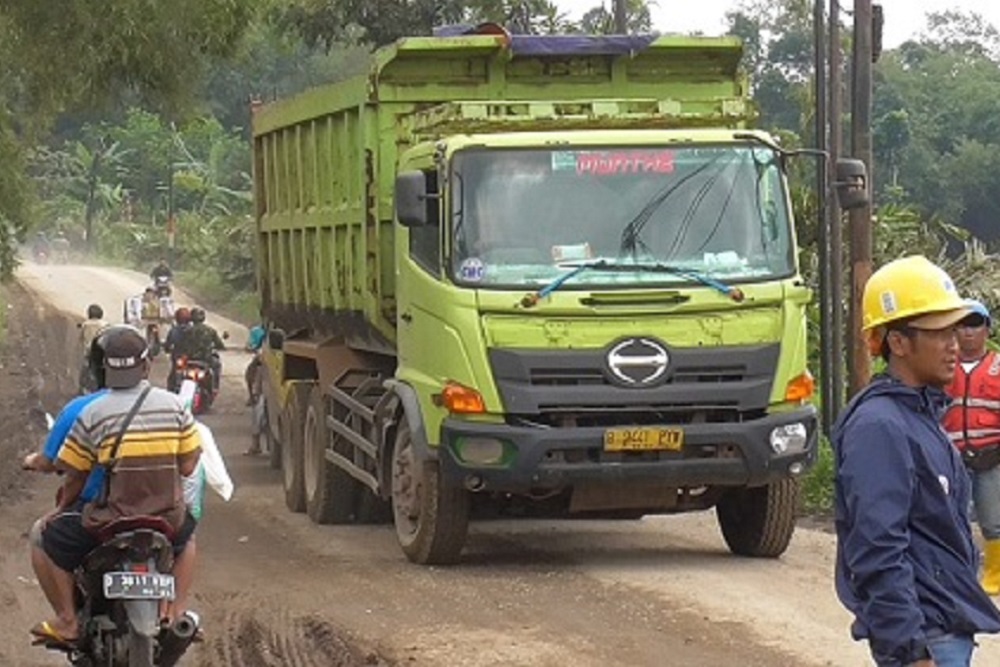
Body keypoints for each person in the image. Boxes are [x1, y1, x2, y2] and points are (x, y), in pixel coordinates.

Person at [832, 255, 1000, 667]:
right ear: (899, 342)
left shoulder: (917, 416)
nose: (954, 344)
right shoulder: (880, 427)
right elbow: (878, 549)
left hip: (942, 633)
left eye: (955, 330)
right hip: (927, 641)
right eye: (938, 333)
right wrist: (910, 649)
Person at [29, 326, 201, 645]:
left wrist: (61, 509)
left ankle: (68, 621)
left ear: (104, 368)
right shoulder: (176, 406)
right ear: (146, 366)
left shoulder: (92, 412)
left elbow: (76, 477)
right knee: (188, 539)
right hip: (166, 519)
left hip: (110, 520)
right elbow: (189, 466)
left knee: (44, 536)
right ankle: (176, 613)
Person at [943, 299, 1000, 596]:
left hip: (991, 456)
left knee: (994, 520)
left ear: (987, 329)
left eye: (975, 324)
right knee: (954, 518)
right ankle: (961, 573)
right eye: (962, 325)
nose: (968, 332)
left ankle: (995, 573)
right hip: (953, 458)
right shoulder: (942, 366)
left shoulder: (997, 367)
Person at [181, 308, 225, 392]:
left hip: (190, 360)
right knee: (217, 365)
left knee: (180, 370)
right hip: (206, 360)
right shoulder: (210, 331)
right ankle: (215, 387)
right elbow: (220, 345)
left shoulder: (186, 331)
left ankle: (178, 386)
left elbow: (182, 345)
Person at [77, 304, 107, 394]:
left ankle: (86, 389)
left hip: (89, 351)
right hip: (102, 351)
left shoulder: (85, 324)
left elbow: (81, 339)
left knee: (86, 371)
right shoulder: (105, 324)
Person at [164, 307, 193, 392]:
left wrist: (167, 349)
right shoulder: (194, 329)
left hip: (178, 356)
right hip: (191, 357)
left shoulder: (174, 330)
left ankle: (171, 392)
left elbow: (168, 345)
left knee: (173, 376)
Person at [244, 323, 266, 406]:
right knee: (249, 374)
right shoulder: (259, 332)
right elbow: (252, 345)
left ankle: (252, 396)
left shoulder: (270, 333)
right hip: (261, 358)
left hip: (269, 358)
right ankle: (252, 396)